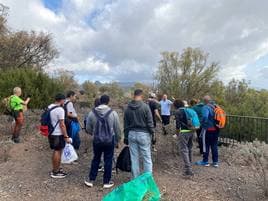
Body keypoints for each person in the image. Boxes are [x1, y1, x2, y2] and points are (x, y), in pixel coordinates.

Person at [85, 95, 121, 189]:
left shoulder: (92, 113)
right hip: (110, 140)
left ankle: (91, 180)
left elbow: (88, 128)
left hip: (97, 140)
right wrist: (117, 140)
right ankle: (106, 181)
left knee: (96, 158)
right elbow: (117, 128)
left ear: (100, 101)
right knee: (108, 159)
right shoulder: (113, 113)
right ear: (108, 102)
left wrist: (93, 133)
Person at [124, 89, 154, 178]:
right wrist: (153, 133)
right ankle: (147, 180)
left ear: (134, 95)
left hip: (131, 134)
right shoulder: (145, 107)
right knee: (147, 158)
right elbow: (150, 122)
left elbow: (126, 124)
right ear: (141, 95)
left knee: (134, 158)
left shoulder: (127, 108)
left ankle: (135, 180)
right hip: (144, 134)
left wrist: (126, 136)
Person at [48, 93, 71, 179]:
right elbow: (62, 125)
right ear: (61, 100)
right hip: (58, 133)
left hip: (51, 132)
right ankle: (55, 172)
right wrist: (66, 136)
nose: (64, 102)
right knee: (57, 151)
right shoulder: (60, 110)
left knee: (57, 150)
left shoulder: (50, 106)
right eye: (64, 100)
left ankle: (56, 168)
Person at [195, 95, 220, 168]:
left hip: (208, 129)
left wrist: (202, 123)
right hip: (216, 129)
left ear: (204, 101)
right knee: (214, 145)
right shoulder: (216, 106)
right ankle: (215, 162)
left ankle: (205, 161)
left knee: (206, 145)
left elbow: (205, 116)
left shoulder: (206, 107)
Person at [174, 99, 195, 176]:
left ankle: (188, 170)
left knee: (183, 150)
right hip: (192, 131)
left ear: (176, 105)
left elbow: (177, 125)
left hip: (184, 132)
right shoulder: (188, 110)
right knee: (189, 148)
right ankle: (190, 165)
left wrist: (176, 134)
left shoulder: (177, 112)